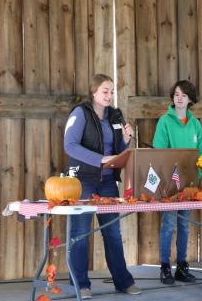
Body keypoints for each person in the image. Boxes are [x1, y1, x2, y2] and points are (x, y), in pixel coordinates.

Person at [64, 74, 140, 299]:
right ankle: (81, 285)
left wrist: (125, 140)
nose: (109, 95)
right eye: (105, 91)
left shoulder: (115, 115)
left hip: (107, 181)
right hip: (82, 180)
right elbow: (70, 146)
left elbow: (117, 149)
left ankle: (124, 282)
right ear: (94, 93)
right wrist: (100, 159)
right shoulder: (80, 113)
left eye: (112, 91)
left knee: (113, 233)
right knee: (80, 232)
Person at [153, 80, 202, 284]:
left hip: (191, 184)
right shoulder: (164, 122)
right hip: (170, 183)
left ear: (190, 99)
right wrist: (169, 177)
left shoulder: (195, 124)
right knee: (168, 224)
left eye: (184, 95)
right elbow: (160, 151)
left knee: (184, 225)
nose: (179, 98)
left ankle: (182, 266)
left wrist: (198, 178)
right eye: (176, 94)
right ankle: (165, 267)